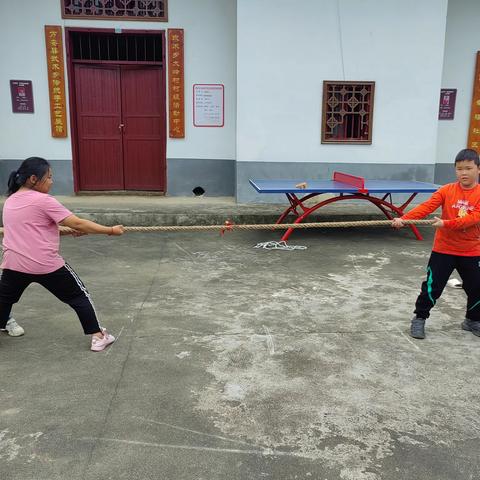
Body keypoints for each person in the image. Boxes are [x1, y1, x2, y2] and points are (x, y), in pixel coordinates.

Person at [0, 157, 124, 351]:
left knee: (4, 299)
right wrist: (110, 230)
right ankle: (99, 336)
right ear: (34, 178)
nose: (52, 181)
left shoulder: (10, 201)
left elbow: (33, 230)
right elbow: (77, 223)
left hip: (13, 263)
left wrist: (65, 230)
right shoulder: (43, 200)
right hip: (44, 264)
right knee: (79, 296)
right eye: (49, 177)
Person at [392, 148, 480, 339]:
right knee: (432, 287)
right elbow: (426, 207)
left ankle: (472, 320)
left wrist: (445, 223)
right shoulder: (447, 190)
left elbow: (473, 218)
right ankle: (419, 319)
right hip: (444, 250)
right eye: (459, 169)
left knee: (477, 288)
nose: (463, 173)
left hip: (471, 250)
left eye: (468, 168)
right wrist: (405, 219)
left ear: (478, 169)